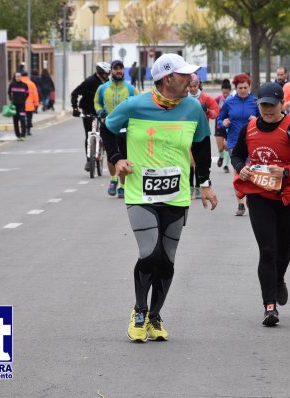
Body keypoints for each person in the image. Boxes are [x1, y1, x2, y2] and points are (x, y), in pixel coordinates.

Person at [100, 53, 218, 342]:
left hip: (177, 194)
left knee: (167, 259)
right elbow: (107, 127)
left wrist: (204, 184)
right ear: (168, 79)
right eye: (185, 75)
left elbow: (202, 146)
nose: (191, 79)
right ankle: (139, 311)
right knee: (149, 253)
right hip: (141, 192)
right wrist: (118, 159)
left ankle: (155, 316)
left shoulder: (192, 108)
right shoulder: (135, 105)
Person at [231, 82, 290, 326]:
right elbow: (236, 154)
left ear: (282, 103)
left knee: (283, 252)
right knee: (267, 250)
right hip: (259, 197)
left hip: (286, 197)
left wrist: (286, 171)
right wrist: (241, 169)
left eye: (272, 105)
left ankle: (279, 280)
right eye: (263, 105)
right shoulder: (249, 128)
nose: (267, 110)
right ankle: (270, 306)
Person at [94, 60, 139, 198]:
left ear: (124, 71)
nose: (119, 71)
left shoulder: (131, 89)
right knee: (111, 154)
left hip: (126, 127)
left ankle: (123, 185)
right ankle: (113, 180)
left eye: (121, 68)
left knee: (125, 156)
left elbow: (138, 105)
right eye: (116, 68)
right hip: (109, 127)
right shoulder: (103, 88)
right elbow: (97, 101)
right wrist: (100, 110)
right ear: (111, 71)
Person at [216, 73, 259, 216]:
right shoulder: (229, 102)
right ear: (236, 88)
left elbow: (265, 119)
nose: (243, 90)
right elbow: (219, 120)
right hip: (234, 142)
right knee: (239, 172)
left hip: (253, 140)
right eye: (240, 87)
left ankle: (251, 198)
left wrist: (256, 119)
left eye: (245, 87)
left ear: (249, 87)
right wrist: (224, 123)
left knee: (251, 171)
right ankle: (240, 204)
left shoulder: (255, 102)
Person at [71, 62, 111, 172]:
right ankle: (89, 159)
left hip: (103, 112)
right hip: (88, 110)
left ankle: (103, 149)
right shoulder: (90, 81)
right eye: (104, 74)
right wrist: (75, 108)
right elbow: (75, 93)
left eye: (108, 74)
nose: (106, 76)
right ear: (99, 72)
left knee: (105, 132)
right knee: (89, 134)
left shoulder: (109, 83)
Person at [188, 73, 220, 199]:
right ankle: (190, 187)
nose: (192, 89)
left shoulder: (205, 98)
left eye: (194, 86)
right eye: (190, 86)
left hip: (202, 134)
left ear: (199, 85)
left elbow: (216, 112)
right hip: (188, 134)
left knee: (201, 162)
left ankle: (200, 186)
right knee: (189, 162)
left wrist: (207, 111)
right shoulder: (184, 99)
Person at [214, 79, 232, 173]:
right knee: (220, 147)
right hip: (219, 124)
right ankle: (221, 156)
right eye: (224, 93)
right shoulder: (218, 99)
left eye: (227, 93)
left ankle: (226, 165)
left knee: (227, 146)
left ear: (230, 91)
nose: (225, 95)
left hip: (229, 125)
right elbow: (212, 107)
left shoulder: (232, 99)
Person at [8, 71, 29, 141]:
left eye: (19, 76)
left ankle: (23, 135)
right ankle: (18, 135)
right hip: (14, 106)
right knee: (15, 121)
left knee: (22, 120)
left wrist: (23, 100)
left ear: (21, 77)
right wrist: (11, 99)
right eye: (17, 76)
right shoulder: (12, 84)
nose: (18, 78)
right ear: (15, 77)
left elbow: (27, 93)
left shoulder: (25, 85)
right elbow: (9, 92)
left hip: (22, 106)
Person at [21, 70, 39, 136]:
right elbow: (35, 95)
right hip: (30, 105)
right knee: (29, 118)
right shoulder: (32, 84)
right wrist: (36, 105)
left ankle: (23, 130)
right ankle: (28, 130)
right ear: (27, 76)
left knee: (22, 118)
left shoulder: (19, 83)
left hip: (21, 105)